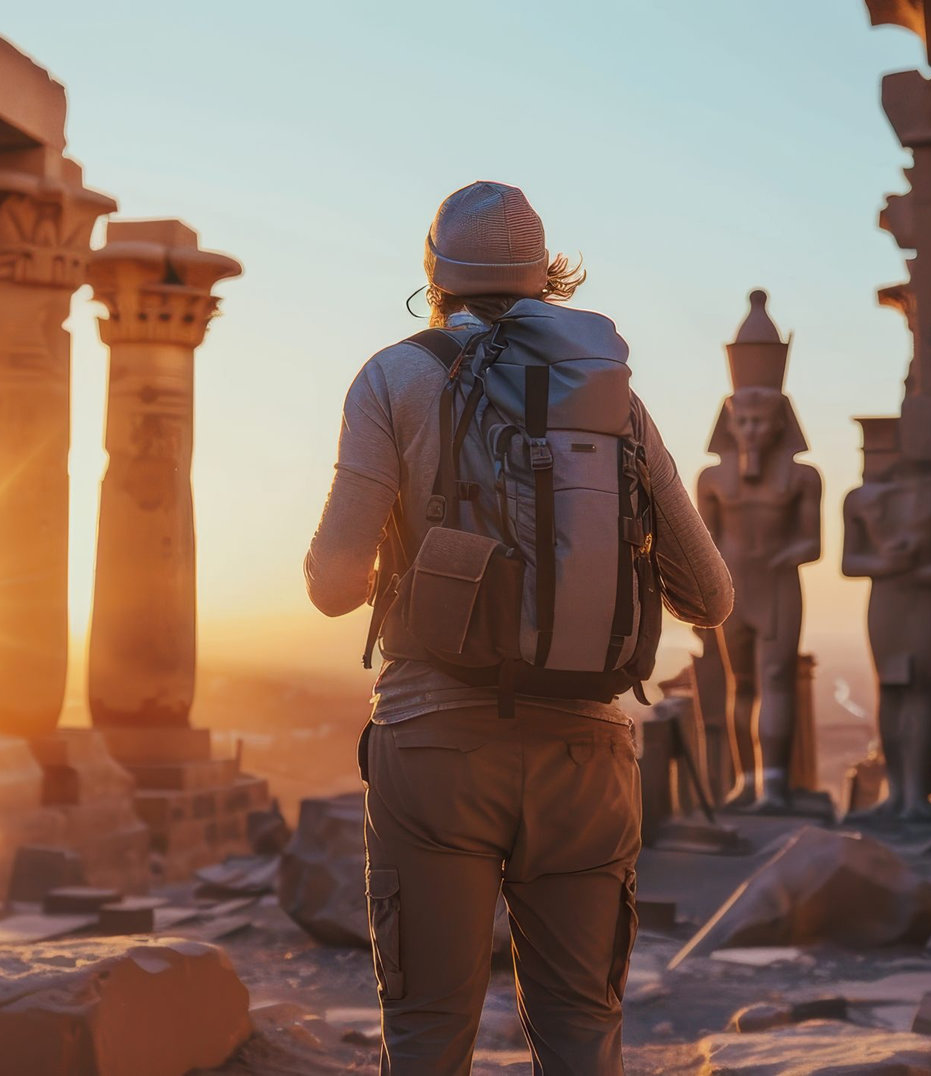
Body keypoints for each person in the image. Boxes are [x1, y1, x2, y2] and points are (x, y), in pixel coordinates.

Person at [304, 181, 734, 1076]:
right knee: (582, 1037)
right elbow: (711, 595)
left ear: (436, 276)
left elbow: (332, 588)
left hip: (434, 744)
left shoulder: (394, 376)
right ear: (548, 278)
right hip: (589, 753)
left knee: (426, 1036)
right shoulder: (610, 393)